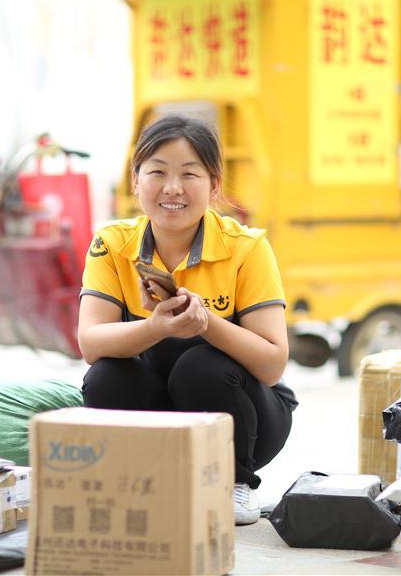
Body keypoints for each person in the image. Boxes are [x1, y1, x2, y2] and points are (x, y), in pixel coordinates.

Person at [78, 114, 297, 525]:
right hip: (164, 415)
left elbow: (272, 364)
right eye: (157, 172)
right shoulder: (111, 244)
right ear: (135, 181)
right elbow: (90, 343)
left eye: (189, 174)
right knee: (106, 376)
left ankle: (235, 481)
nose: (172, 188)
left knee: (200, 366)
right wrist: (155, 327)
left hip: (249, 419)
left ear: (214, 185)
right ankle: (140, 481)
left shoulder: (246, 248)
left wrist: (206, 324)